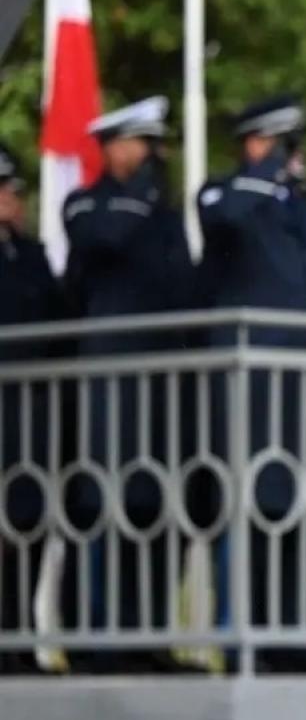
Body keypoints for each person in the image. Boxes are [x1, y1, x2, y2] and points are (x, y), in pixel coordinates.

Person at [198, 94, 306, 674]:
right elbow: (222, 216)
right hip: (252, 390)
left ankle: (293, 635)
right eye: (284, 145)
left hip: (304, 390)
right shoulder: (230, 193)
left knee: (299, 511)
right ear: (256, 144)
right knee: (250, 508)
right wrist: (265, 172)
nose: (295, 158)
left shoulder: (300, 212)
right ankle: (243, 639)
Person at [62, 97, 206, 675]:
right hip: (109, 382)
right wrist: (145, 193)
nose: (150, 159)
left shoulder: (160, 212)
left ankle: (147, 634)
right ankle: (96, 640)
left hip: (162, 385)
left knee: (154, 509)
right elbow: (109, 239)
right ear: (114, 147)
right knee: (104, 506)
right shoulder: (87, 204)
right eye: (141, 147)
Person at [0, 142, 72, 676]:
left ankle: (20, 639)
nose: (14, 201)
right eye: (6, 191)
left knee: (28, 526)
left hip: (30, 414)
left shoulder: (27, 254)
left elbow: (53, 314)